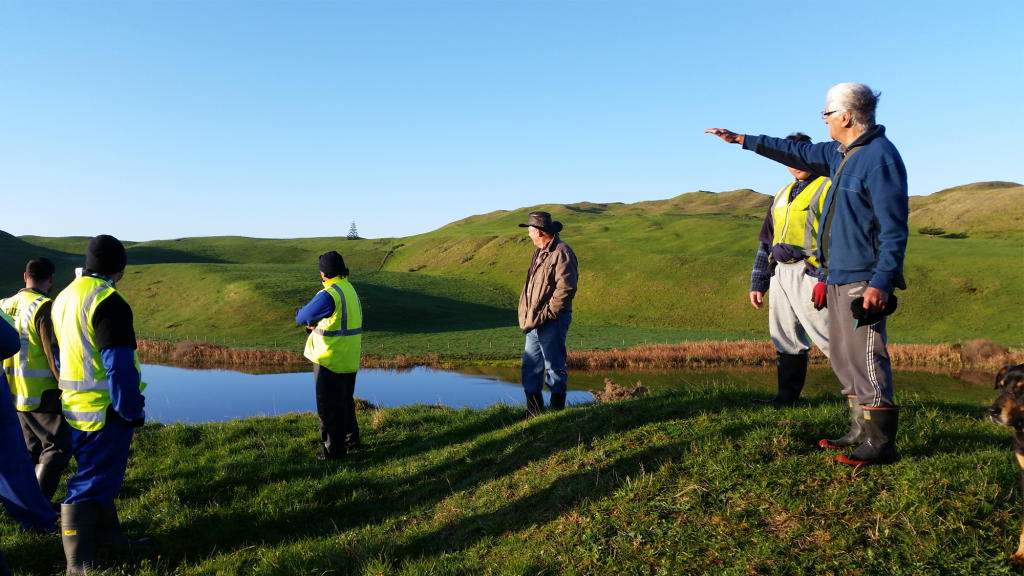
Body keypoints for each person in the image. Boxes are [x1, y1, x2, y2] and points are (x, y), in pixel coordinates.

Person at [706, 82, 908, 466]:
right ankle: (858, 430)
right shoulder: (840, 154)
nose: (825, 120)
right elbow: (795, 150)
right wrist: (742, 139)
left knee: (866, 356)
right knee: (845, 359)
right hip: (835, 274)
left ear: (846, 116)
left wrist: (882, 280)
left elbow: (894, 227)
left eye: (827, 114)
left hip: (862, 276)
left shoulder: (879, 158)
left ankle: (881, 443)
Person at [52, 235, 151, 574]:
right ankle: (77, 564)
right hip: (105, 408)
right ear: (120, 267)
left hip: (75, 405)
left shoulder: (65, 295)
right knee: (92, 481)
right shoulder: (109, 301)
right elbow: (119, 365)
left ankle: (109, 534)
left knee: (98, 474)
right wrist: (130, 410)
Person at [749, 133, 831, 405]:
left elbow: (837, 238)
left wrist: (826, 278)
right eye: (788, 157)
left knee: (829, 336)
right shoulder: (781, 194)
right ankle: (786, 397)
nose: (794, 163)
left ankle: (857, 402)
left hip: (811, 273)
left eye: (800, 154)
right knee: (784, 336)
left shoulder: (828, 187)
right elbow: (766, 243)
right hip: (780, 272)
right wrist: (758, 283)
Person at [1, 257, 73, 504]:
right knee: (57, 448)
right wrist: (66, 387)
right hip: (43, 394)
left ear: (25, 276)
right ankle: (38, 505)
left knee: (30, 452)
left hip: (13, 391)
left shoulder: (4, 305)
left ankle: (24, 503)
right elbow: (53, 353)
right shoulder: (43, 306)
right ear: (51, 279)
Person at [0, 307, 60, 575]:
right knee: (12, 459)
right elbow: (8, 341)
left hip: (20, 391)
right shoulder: (42, 305)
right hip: (35, 392)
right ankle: (38, 518)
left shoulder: (8, 300)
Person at [296, 251, 363, 461]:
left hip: (329, 358)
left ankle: (333, 452)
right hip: (349, 357)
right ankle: (351, 441)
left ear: (323, 272)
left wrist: (310, 323)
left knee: (329, 408)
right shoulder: (349, 289)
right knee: (345, 402)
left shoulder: (329, 294)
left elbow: (302, 316)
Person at [517, 212, 578, 417]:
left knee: (554, 365)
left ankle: (556, 412)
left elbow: (566, 288)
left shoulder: (562, 251)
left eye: (530, 231)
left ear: (540, 232)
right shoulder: (541, 252)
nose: (529, 235)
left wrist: (548, 313)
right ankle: (533, 411)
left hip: (552, 320)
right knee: (530, 365)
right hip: (534, 321)